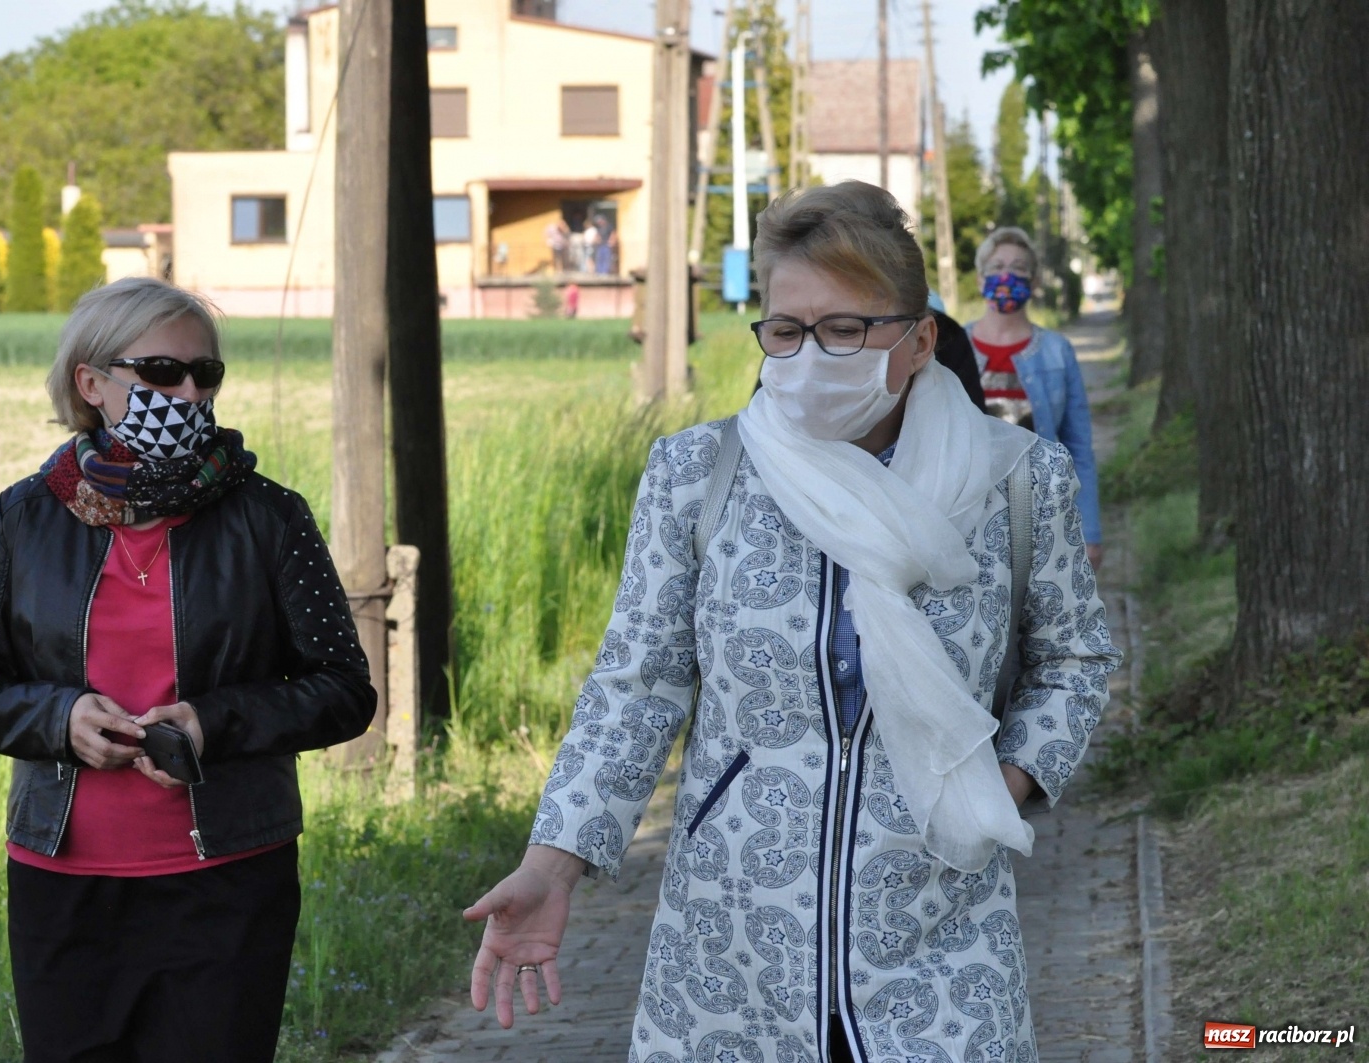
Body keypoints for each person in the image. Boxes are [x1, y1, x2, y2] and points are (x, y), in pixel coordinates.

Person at [465, 182, 1120, 1063]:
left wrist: (1003, 786)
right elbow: (636, 684)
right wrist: (553, 863)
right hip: (729, 959)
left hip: (942, 940)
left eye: (846, 328)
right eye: (786, 330)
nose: (812, 355)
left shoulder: (1015, 480)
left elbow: (1076, 659)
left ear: (920, 337)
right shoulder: (698, 473)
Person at [0, 276, 377, 1062]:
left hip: (228, 880)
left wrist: (213, 722)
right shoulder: (26, 515)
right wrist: (58, 720)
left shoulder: (270, 517)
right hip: (62, 886)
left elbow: (343, 690)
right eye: (163, 373)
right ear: (93, 383)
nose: (189, 393)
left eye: (205, 375)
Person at [966, 227, 1104, 570]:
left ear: (1034, 279)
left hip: (1041, 514)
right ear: (980, 276)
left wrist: (1090, 530)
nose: (1006, 275)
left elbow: (1078, 447)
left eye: (1018, 267)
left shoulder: (1057, 351)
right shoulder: (953, 346)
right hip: (968, 515)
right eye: (996, 266)